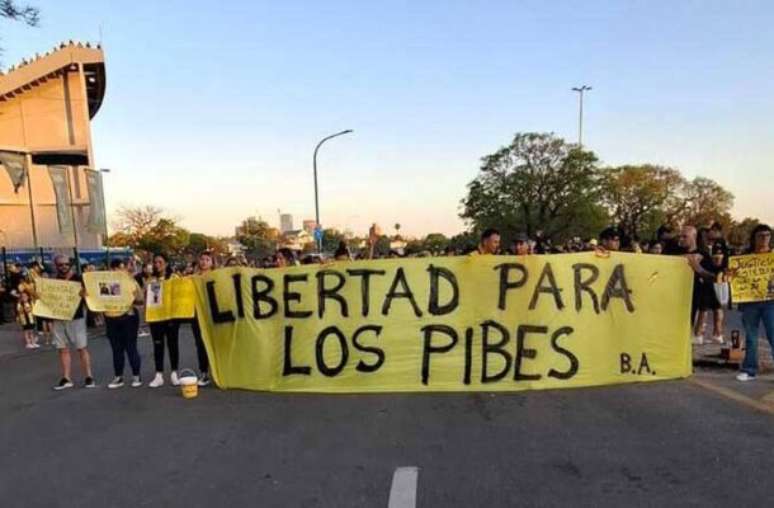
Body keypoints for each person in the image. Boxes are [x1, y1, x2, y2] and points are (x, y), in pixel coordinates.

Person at [50, 255, 95, 390]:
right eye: (60, 265)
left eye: (65, 264)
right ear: (56, 266)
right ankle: (66, 378)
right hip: (59, 317)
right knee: (62, 348)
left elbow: (90, 296)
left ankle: (88, 376)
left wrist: (84, 294)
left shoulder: (79, 279)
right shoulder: (54, 281)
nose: (63, 267)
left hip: (77, 317)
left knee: (81, 347)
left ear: (70, 265)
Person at [736, 224, 774, 382]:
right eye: (761, 236)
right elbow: (736, 277)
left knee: (773, 335)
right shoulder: (745, 258)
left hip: (771, 302)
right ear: (754, 238)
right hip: (750, 301)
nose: (764, 238)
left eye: (767, 235)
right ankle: (749, 369)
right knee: (751, 337)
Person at [104, 259, 144, 389]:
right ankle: (118, 377)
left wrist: (131, 300)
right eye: (115, 268)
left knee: (131, 347)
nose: (118, 271)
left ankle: (136, 376)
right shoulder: (104, 283)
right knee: (116, 349)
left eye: (121, 268)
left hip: (128, 317)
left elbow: (140, 300)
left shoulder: (131, 281)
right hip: (110, 318)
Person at [147, 253, 181, 388]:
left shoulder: (174, 278)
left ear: (166, 263)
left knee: (173, 344)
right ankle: (159, 374)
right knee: (158, 345)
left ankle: (174, 373)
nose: (157, 265)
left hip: (171, 317)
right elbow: (148, 299)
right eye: (155, 262)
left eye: (160, 262)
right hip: (156, 317)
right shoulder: (151, 280)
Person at [694, 243, 727, 344]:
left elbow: (720, 264)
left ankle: (717, 334)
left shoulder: (721, 247)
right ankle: (699, 334)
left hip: (718, 282)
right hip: (707, 282)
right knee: (704, 310)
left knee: (717, 309)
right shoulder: (703, 250)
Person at [190, 251, 214, 387]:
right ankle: (204, 372)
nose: (204, 262)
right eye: (202, 259)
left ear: (212, 262)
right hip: (197, 315)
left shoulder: (216, 277)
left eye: (207, 259)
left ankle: (217, 372)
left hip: (213, 315)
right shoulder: (193, 278)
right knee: (200, 344)